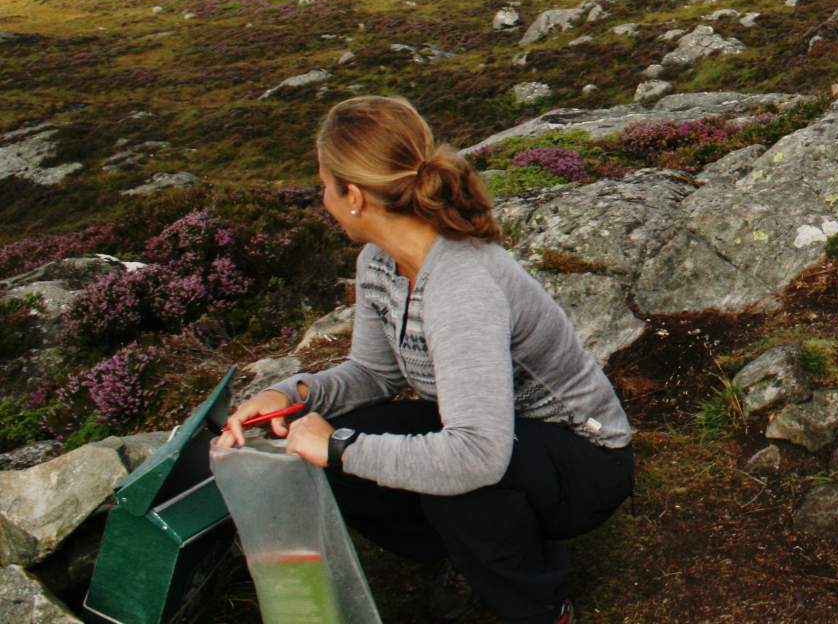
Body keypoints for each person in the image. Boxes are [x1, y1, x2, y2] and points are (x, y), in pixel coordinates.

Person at [219, 95, 633, 624]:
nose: (321, 197)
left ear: (353, 196)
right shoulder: (380, 261)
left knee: (443, 477)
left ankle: (539, 606)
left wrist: (340, 449)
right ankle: (470, 555)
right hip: (500, 436)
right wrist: (292, 397)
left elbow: (477, 455)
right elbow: (374, 374)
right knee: (337, 434)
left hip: (584, 458)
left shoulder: (461, 285)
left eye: (324, 184)